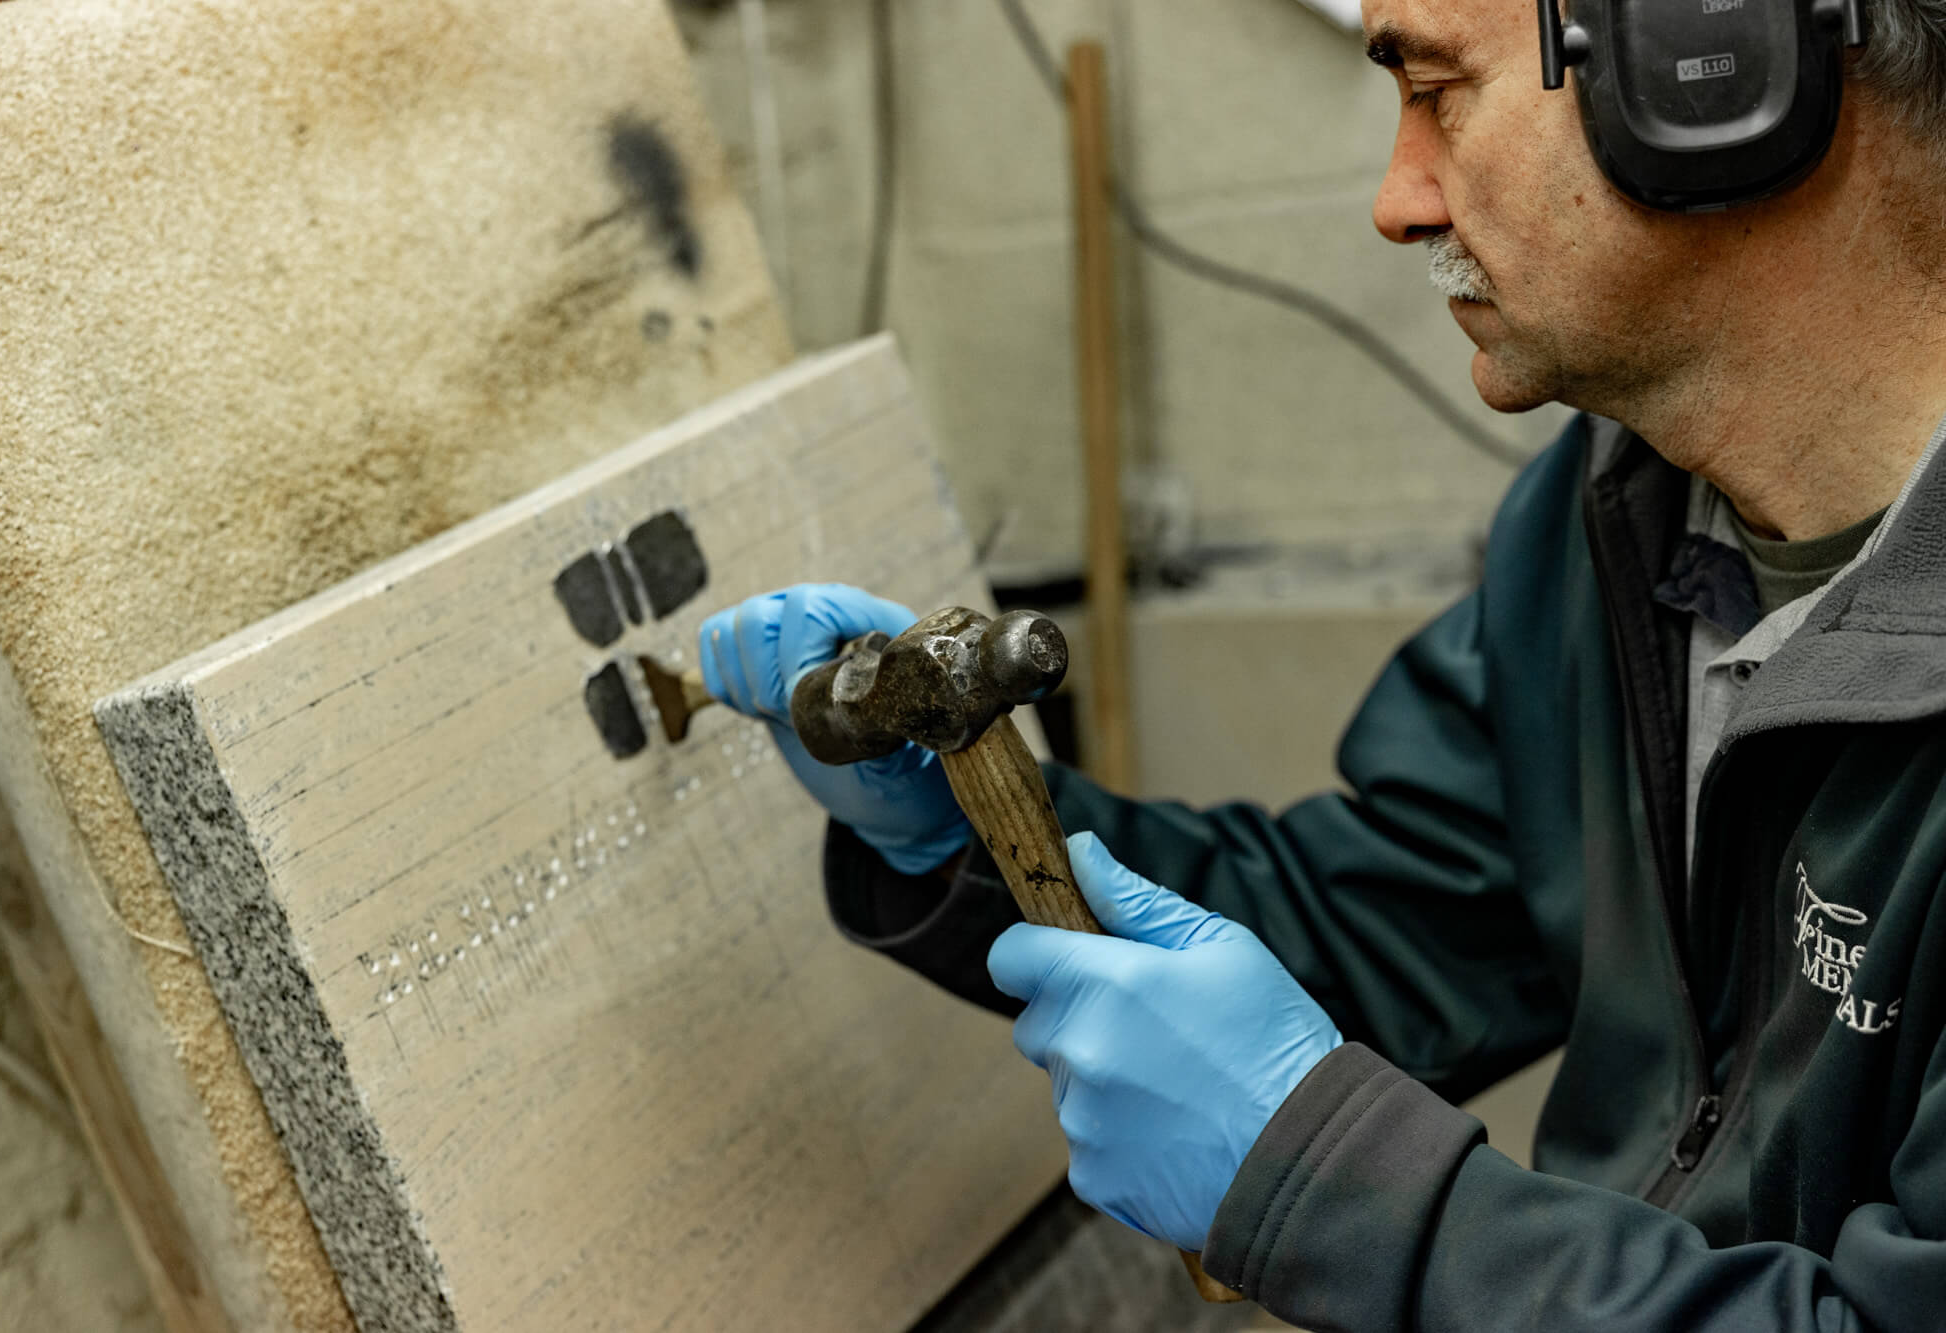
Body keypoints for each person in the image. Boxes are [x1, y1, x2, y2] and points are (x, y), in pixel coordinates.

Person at [696, 0, 1946, 1324]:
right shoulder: (1614, 529)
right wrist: (957, 832)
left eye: (1438, 94)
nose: (1399, 203)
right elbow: (1394, 931)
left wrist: (1331, 1174)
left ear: (1715, 65)